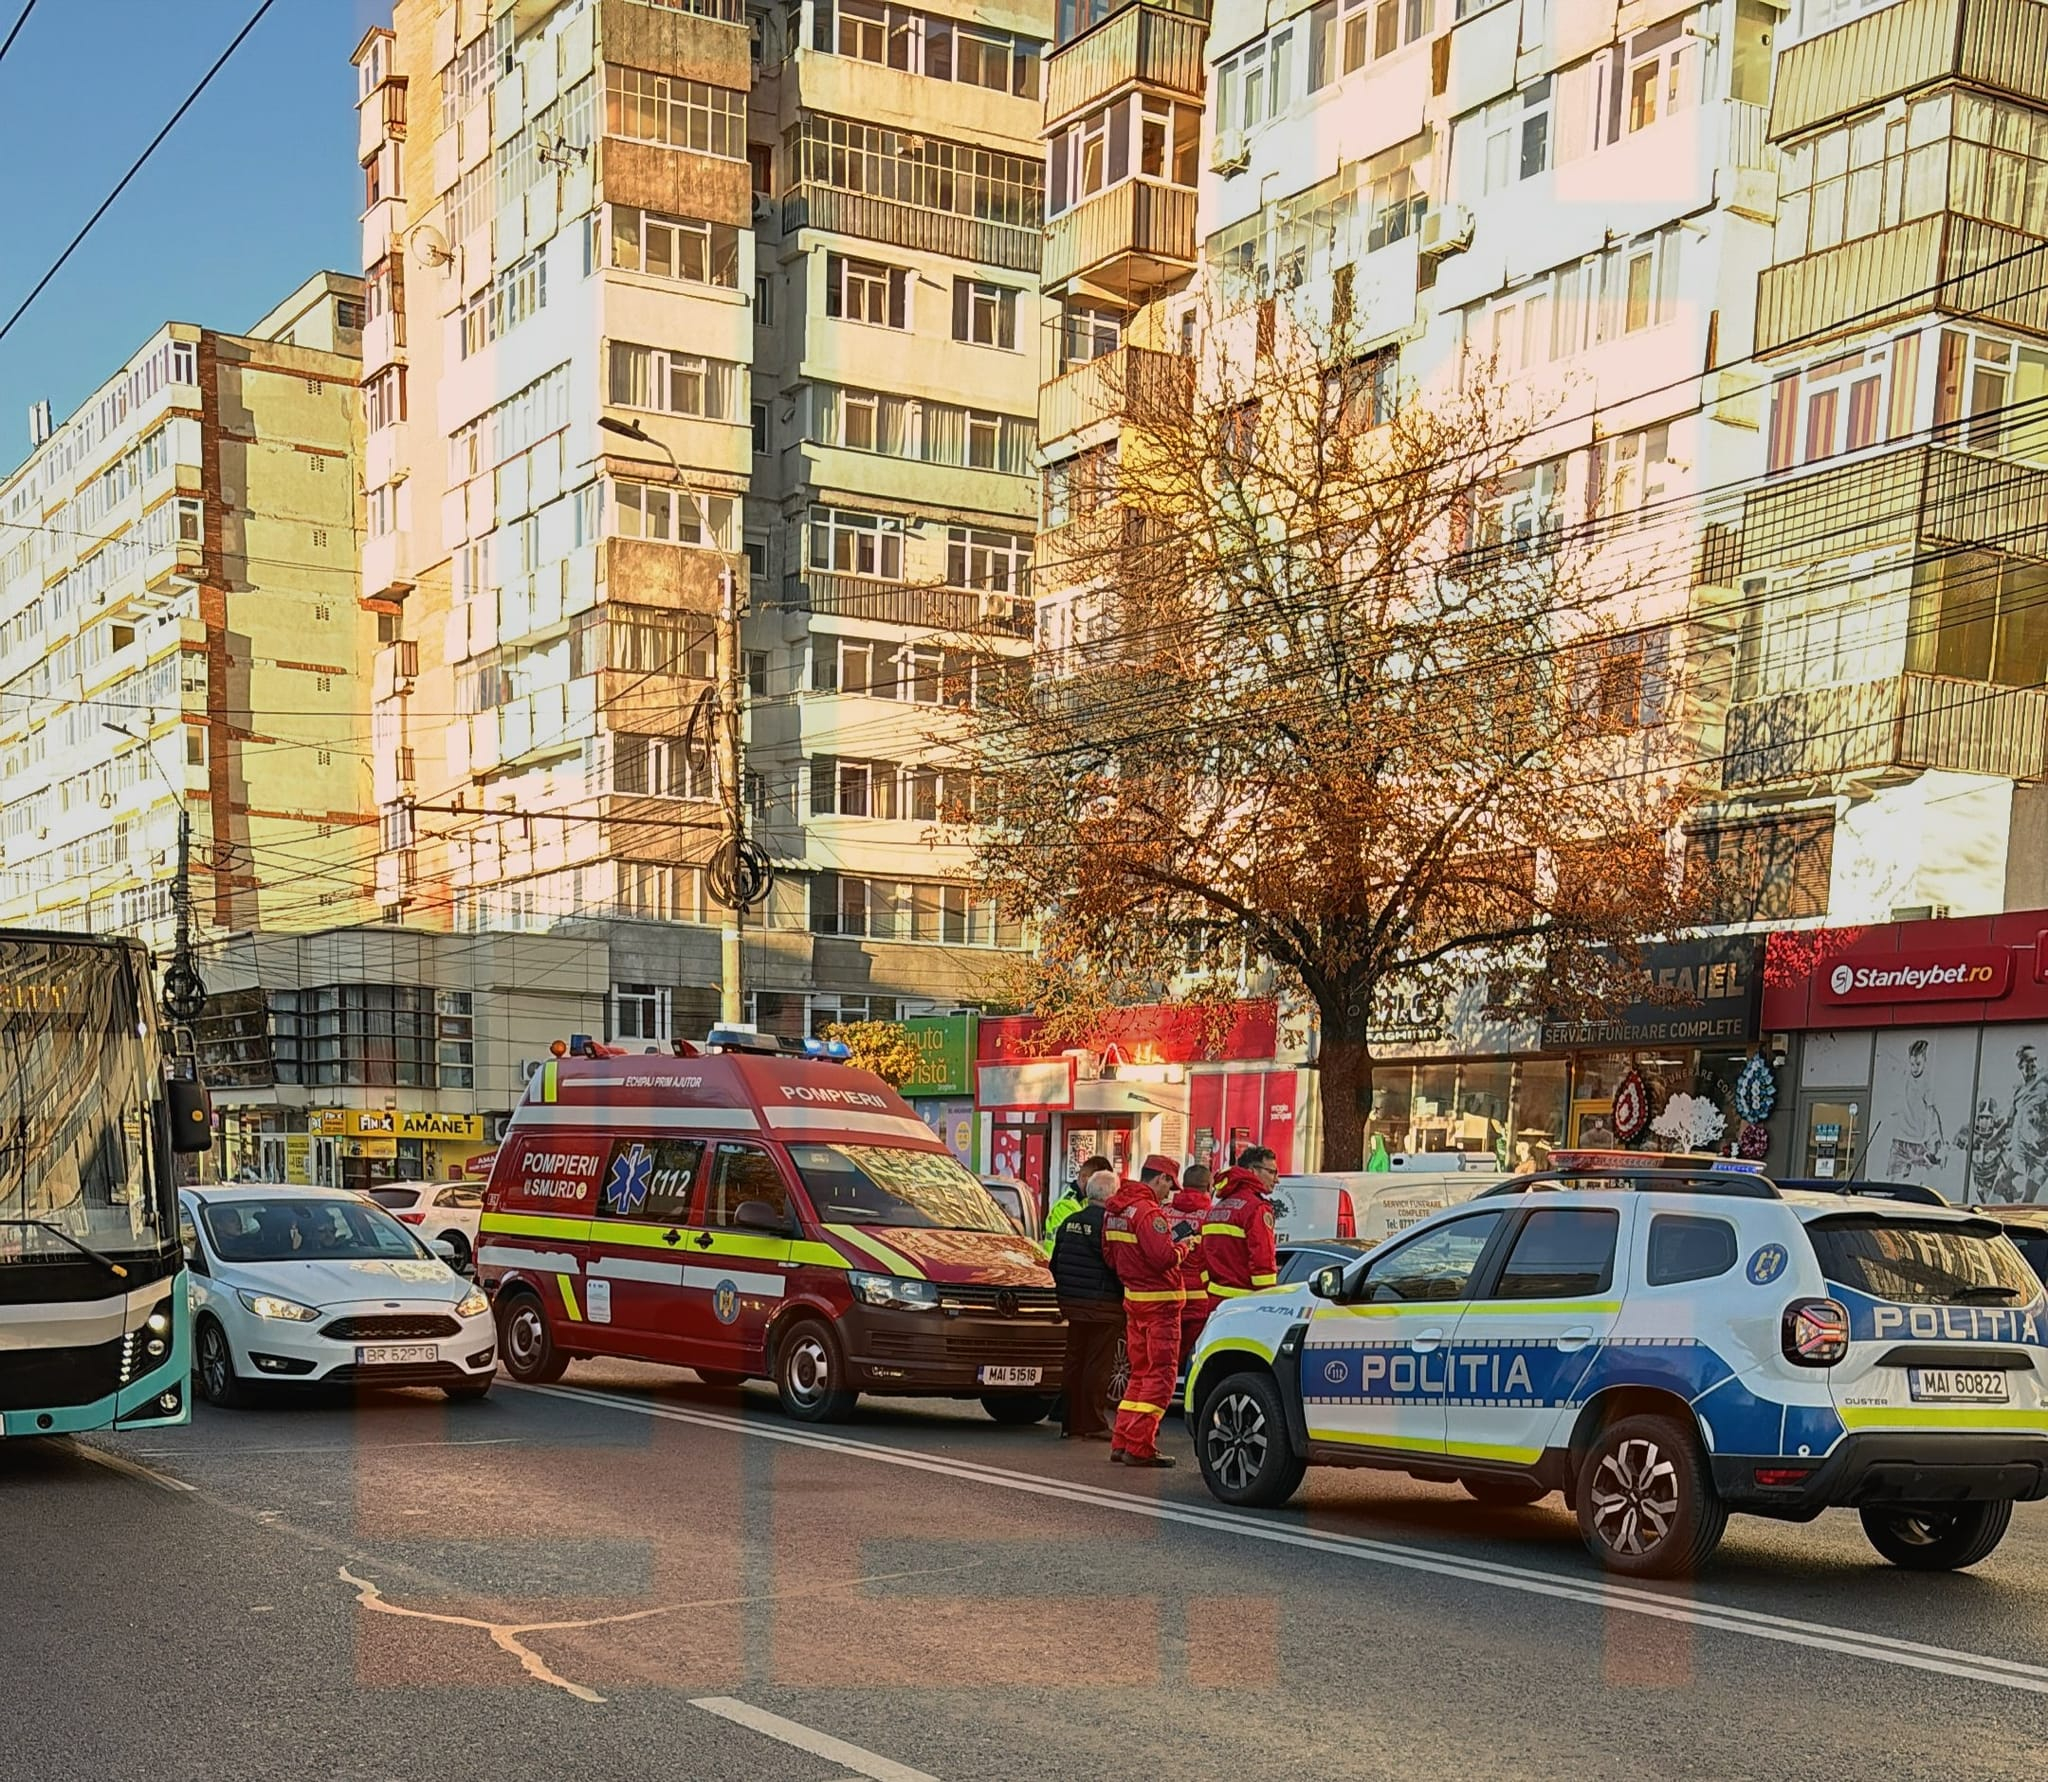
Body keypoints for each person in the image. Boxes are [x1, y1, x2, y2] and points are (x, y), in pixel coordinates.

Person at [1103, 1165, 1194, 1467]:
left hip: (1135, 1301)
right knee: (1160, 1376)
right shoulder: (1148, 1213)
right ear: (1160, 1179)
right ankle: (1140, 1446)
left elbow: (1110, 1257)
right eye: (1169, 1185)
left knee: (1139, 1374)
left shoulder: (1115, 1209)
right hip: (1161, 1306)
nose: (1169, 1193)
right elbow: (1163, 1258)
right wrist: (1184, 1247)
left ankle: (1122, 1440)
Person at [1049, 1167, 1123, 1440]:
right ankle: (1092, 1422)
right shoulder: (1108, 1225)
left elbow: (1055, 1263)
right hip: (1102, 1307)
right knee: (1097, 1366)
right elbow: (1117, 1267)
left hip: (1071, 1303)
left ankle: (1068, 1420)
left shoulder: (1069, 1221)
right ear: (1112, 1194)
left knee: (1074, 1361)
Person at [1202, 1145, 1280, 1313]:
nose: (1277, 1179)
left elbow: (1202, 1257)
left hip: (1215, 1302)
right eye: (1272, 1172)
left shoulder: (1218, 1208)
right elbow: (1262, 1260)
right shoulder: (1256, 1208)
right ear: (1253, 1171)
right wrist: (1268, 1303)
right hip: (1245, 1305)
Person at [1169, 1161, 1215, 1366]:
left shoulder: (1163, 1212)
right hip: (1200, 1299)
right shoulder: (1213, 1217)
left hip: (1169, 1294)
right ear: (1208, 1187)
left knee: (1168, 1356)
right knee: (1194, 1360)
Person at [1044, 1153, 1111, 1254]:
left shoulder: (1083, 1201)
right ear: (1084, 1178)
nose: (1100, 1188)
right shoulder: (1065, 1207)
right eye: (1098, 1182)